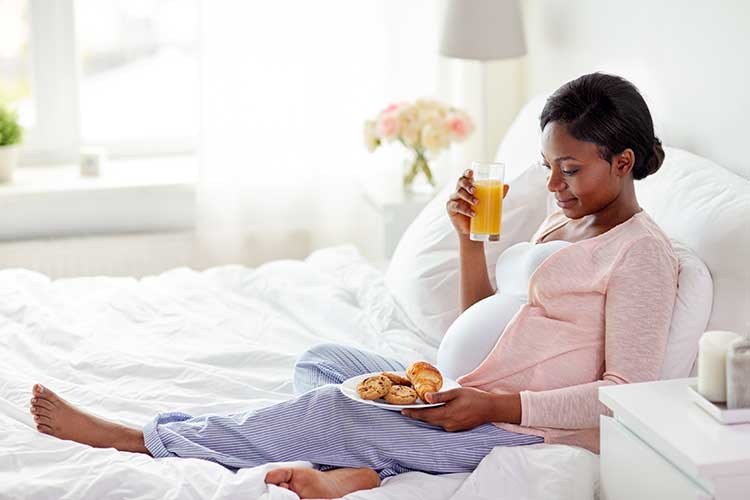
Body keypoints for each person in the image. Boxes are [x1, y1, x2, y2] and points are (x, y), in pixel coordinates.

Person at [28, 72, 678, 499]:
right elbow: (486, 318)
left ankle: (142, 437)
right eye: (547, 169)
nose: (555, 186)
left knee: (332, 405)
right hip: (461, 392)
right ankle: (363, 472)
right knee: (325, 361)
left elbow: (631, 395)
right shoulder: (568, 225)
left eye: (569, 170)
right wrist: (467, 240)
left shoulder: (642, 255)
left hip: (516, 428)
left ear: (623, 163)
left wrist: (497, 409)